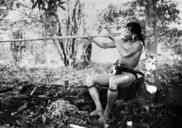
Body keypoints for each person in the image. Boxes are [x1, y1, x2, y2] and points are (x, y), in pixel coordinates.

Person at [85, 22, 145, 124]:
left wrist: (115, 40)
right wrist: (93, 39)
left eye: (127, 31)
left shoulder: (138, 44)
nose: (124, 32)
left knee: (113, 81)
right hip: (117, 73)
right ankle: (99, 108)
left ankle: (106, 114)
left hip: (129, 75)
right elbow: (104, 46)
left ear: (134, 34)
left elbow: (125, 53)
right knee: (90, 79)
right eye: (124, 30)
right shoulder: (121, 41)